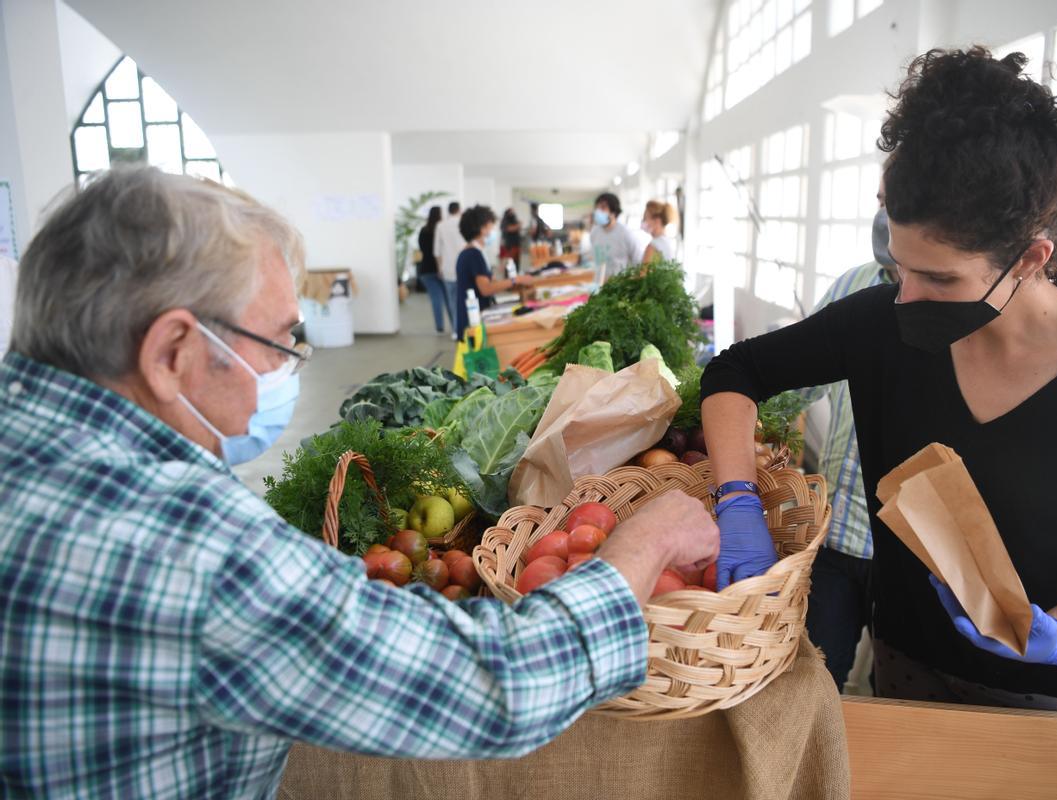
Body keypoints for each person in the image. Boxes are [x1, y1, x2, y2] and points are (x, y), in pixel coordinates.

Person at [0, 166, 720, 798]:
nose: (290, 366)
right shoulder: (182, 540)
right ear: (172, 353)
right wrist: (641, 545)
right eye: (278, 342)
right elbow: (500, 684)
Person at [700, 48, 1057, 714]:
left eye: (939, 278)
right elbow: (736, 371)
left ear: (1030, 258)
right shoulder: (880, 324)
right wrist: (736, 498)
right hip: (903, 661)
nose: (906, 296)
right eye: (899, 267)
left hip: (1048, 693)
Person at [784, 195, 897, 692]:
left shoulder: (965, 311)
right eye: (881, 200)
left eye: (895, 200)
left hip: (910, 557)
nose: (884, 213)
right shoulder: (853, 286)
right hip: (837, 532)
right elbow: (797, 382)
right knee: (815, 679)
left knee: (895, 692)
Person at [455, 205, 533, 341]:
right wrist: (515, 280)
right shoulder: (473, 254)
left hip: (473, 316)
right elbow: (486, 289)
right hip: (474, 321)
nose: (492, 231)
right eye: (491, 226)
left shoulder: (469, 252)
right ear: (482, 228)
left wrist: (509, 283)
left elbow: (487, 281)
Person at [417, 205, 453, 335]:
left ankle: (439, 327)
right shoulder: (441, 230)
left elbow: (421, 248)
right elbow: (442, 250)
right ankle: (455, 325)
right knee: (449, 298)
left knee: (436, 299)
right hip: (442, 268)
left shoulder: (423, 230)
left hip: (425, 269)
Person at [589, 192, 641, 278]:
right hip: (599, 282)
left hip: (620, 283)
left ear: (614, 211)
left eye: (603, 207)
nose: (598, 211)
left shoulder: (626, 234)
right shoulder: (594, 232)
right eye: (597, 208)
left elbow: (638, 262)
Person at [435, 200, 466, 335]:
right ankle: (465, 328)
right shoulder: (464, 223)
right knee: (466, 299)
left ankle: (455, 330)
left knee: (452, 300)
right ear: (459, 210)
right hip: (463, 267)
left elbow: (437, 250)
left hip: (447, 268)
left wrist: (439, 268)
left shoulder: (441, 225)